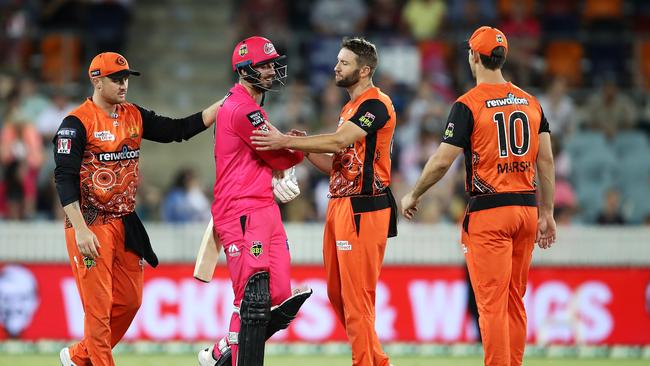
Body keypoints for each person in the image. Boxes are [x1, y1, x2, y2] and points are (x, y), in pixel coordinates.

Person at [53, 51, 223, 366]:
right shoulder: (75, 123)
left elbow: (177, 130)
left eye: (126, 78)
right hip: (91, 224)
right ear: (96, 80)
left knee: (130, 302)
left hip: (126, 223)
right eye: (116, 79)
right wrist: (80, 229)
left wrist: (221, 106)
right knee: (99, 310)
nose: (123, 85)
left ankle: (78, 357)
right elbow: (63, 178)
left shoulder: (133, 114)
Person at [400, 26, 556, 366]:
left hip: (490, 214)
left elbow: (442, 161)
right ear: (503, 57)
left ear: (473, 56)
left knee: (491, 305)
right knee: (515, 300)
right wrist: (548, 213)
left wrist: (413, 193)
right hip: (527, 211)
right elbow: (545, 160)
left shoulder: (468, 104)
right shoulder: (531, 102)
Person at [251, 37, 398, 366]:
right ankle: (377, 361)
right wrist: (302, 149)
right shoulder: (350, 108)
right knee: (339, 295)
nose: (336, 66)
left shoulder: (376, 104)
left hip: (364, 207)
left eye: (344, 62)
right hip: (340, 204)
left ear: (365, 70)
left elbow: (340, 141)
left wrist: (283, 139)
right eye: (337, 60)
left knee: (357, 298)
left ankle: (366, 362)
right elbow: (337, 162)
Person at [198, 36, 311, 366]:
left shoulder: (252, 108)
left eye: (272, 63)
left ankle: (222, 350)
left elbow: (272, 156)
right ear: (245, 70)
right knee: (251, 296)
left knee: (277, 295)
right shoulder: (242, 108)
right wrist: (302, 147)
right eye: (264, 65)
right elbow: (279, 155)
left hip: (264, 206)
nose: (272, 70)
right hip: (240, 209)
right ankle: (231, 356)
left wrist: (283, 159)